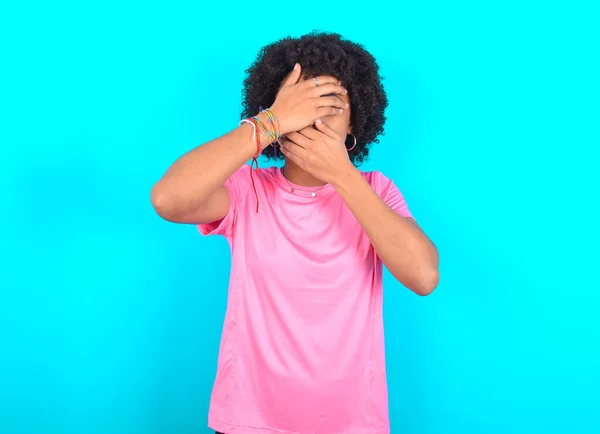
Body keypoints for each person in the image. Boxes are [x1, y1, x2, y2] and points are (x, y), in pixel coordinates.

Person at [151, 31, 439, 434]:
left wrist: (340, 173)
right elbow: (168, 199)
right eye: (301, 106)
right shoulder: (247, 191)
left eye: (331, 106)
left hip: (351, 423)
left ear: (356, 120)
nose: (314, 120)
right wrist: (268, 122)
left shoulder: (376, 191)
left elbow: (423, 276)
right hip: (248, 421)